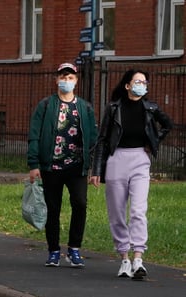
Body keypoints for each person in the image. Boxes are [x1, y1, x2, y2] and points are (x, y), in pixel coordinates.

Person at [90, 69, 173, 279]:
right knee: (117, 212)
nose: (141, 85)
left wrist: (153, 141)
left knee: (138, 210)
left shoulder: (150, 108)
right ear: (127, 85)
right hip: (117, 160)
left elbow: (168, 125)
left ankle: (138, 258)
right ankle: (124, 259)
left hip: (140, 161)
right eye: (137, 81)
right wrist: (97, 170)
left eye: (144, 82)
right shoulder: (114, 108)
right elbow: (102, 139)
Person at [27, 62, 98, 268]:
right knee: (53, 208)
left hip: (77, 167)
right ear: (56, 79)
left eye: (70, 78)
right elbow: (34, 135)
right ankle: (54, 250)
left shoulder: (84, 107)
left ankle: (74, 249)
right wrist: (34, 164)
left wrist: (91, 164)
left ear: (76, 81)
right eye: (63, 77)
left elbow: (92, 137)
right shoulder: (46, 105)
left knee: (80, 204)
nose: (66, 81)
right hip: (52, 166)